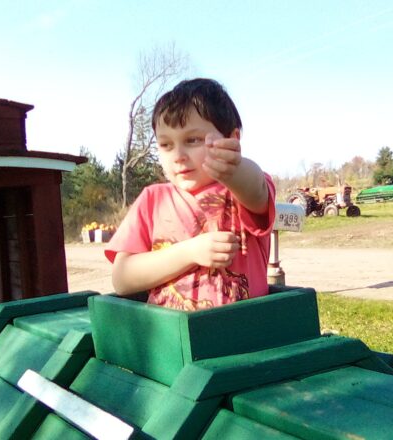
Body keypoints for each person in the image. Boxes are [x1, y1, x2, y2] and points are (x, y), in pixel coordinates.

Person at [105, 78, 276, 311]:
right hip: (171, 339)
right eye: (166, 145)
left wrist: (233, 168)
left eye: (192, 140)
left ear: (232, 139)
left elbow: (257, 190)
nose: (178, 155)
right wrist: (190, 252)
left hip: (243, 338)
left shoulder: (240, 190)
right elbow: (122, 280)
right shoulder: (153, 200)